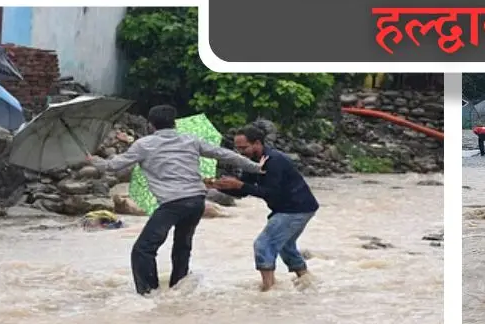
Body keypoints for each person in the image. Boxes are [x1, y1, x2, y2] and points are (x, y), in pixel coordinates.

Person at [85, 105, 264, 296]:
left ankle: (149, 294)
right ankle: (179, 289)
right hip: (196, 201)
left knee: (143, 249)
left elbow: (112, 166)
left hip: (173, 203)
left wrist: (93, 160)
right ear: (175, 123)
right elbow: (224, 154)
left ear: (151, 125)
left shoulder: (143, 145)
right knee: (182, 246)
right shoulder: (190, 139)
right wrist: (256, 167)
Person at [211, 125, 320, 292]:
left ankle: (269, 289)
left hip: (296, 208)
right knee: (285, 246)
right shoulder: (252, 162)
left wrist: (240, 184)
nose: (240, 152)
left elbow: (271, 193)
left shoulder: (274, 161)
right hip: (290, 207)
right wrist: (218, 185)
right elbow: (243, 191)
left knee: (263, 244)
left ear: (257, 143)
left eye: (244, 148)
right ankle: (306, 282)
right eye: (237, 148)